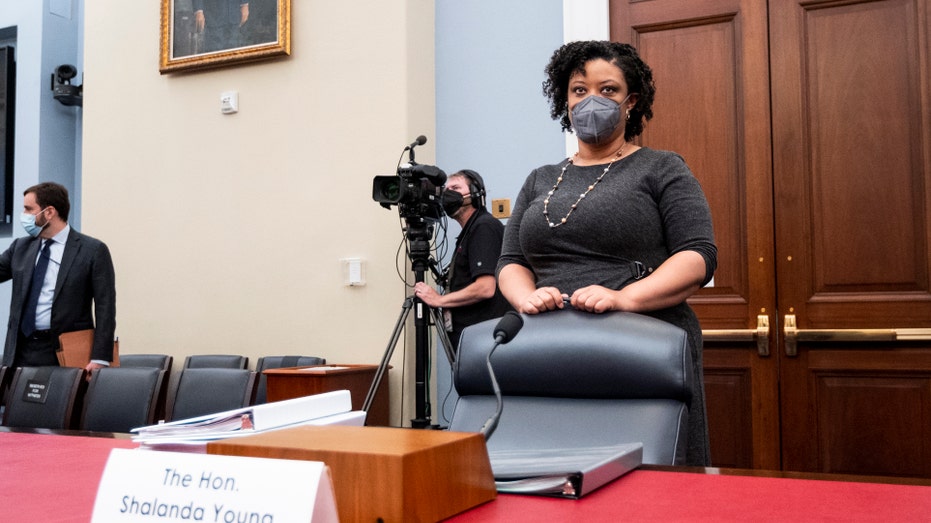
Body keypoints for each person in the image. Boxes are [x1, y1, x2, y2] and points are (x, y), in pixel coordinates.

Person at [496, 41, 717, 466]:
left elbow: (698, 256)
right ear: (565, 100)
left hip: (642, 349)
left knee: (649, 488)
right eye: (579, 90)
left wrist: (624, 298)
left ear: (631, 101)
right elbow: (512, 262)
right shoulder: (540, 178)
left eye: (608, 90)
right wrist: (525, 298)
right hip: (549, 349)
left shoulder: (662, 167)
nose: (591, 100)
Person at [0, 182, 117, 374]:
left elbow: (106, 307)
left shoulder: (93, 250)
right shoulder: (20, 247)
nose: (24, 215)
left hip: (66, 352)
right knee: (19, 405)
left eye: (29, 209)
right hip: (22, 351)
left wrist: (101, 357)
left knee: (63, 404)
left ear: (49, 212)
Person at [414, 170, 513, 350]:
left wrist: (440, 300)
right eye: (446, 190)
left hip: (485, 342)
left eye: (456, 188)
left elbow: (485, 288)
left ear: (475, 193)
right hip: (475, 341)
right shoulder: (470, 231)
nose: (448, 194)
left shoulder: (484, 227)